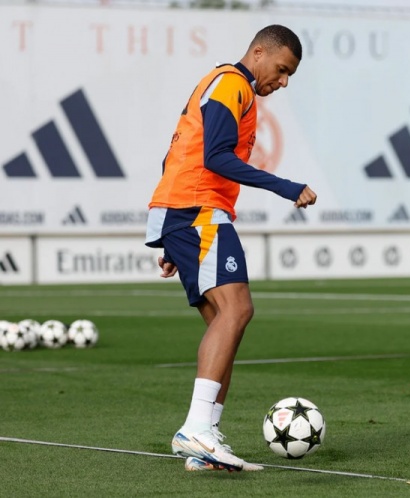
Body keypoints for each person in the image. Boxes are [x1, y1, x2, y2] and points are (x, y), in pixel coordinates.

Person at [145, 24, 317, 473]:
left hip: (184, 212)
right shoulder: (232, 83)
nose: (283, 81)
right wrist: (286, 186)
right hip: (198, 209)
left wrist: (171, 234)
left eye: (290, 75)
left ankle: (204, 437)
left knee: (226, 324)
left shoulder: (227, 85)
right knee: (237, 311)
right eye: (282, 69)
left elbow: (173, 155)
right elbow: (216, 157)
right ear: (258, 52)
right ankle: (195, 429)